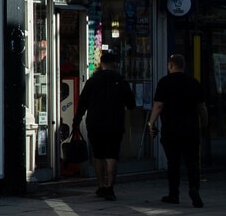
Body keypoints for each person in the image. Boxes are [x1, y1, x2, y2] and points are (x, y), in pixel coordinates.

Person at [149, 53, 209, 207]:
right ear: (184, 66)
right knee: (192, 161)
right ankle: (194, 187)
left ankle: (173, 193)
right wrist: (205, 124)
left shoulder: (164, 82)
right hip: (191, 128)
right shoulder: (194, 83)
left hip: (171, 129)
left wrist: (151, 123)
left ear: (170, 65)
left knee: (173, 162)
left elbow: (158, 105)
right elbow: (201, 107)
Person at [75, 52, 136, 200]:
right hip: (115, 123)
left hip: (95, 123)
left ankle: (101, 185)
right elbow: (131, 104)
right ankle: (110, 187)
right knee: (112, 156)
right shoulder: (121, 81)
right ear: (115, 64)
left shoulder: (92, 81)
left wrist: (76, 121)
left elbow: (82, 103)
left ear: (101, 64)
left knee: (98, 155)